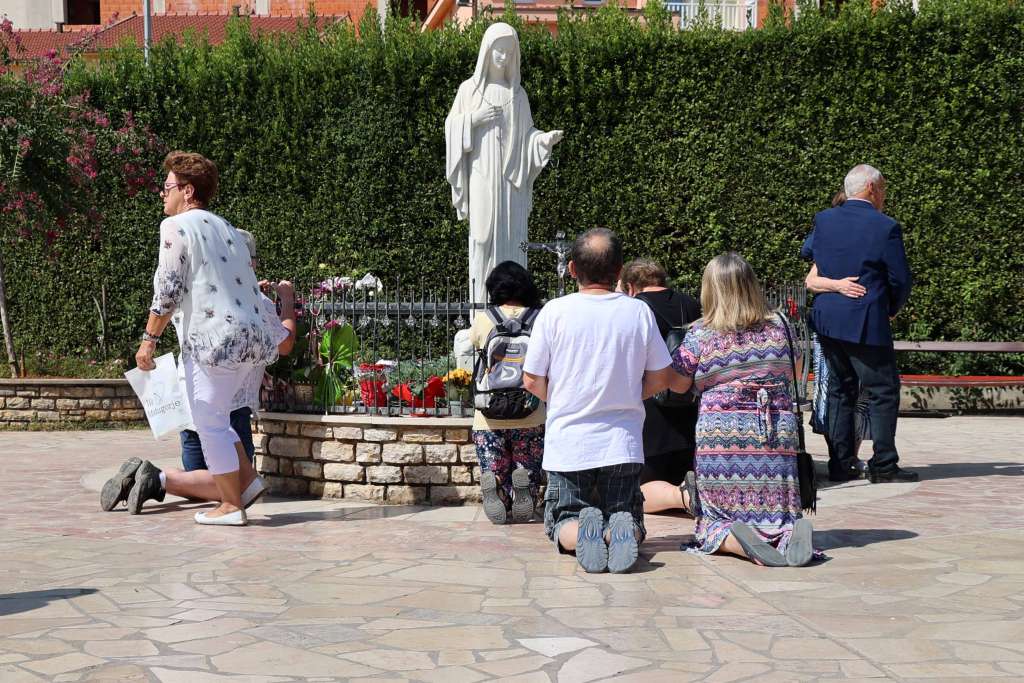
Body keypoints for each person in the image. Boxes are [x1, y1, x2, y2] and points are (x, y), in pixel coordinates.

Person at [125, 150, 287, 526]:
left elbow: (168, 289)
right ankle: (246, 484)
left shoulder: (175, 226)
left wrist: (149, 340)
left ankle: (230, 506)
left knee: (208, 422)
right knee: (219, 416)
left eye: (167, 186)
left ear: (188, 190)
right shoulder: (227, 228)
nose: (162, 193)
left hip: (214, 341)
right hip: (251, 339)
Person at [522, 228, 686, 574]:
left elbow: (532, 379)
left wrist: (563, 398)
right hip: (622, 442)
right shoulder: (637, 312)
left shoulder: (554, 311)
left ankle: (583, 531)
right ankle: (619, 528)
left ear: (572, 269)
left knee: (563, 519)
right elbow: (661, 376)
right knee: (626, 511)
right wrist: (630, 394)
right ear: (619, 270)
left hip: (569, 442)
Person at [673, 252, 814, 567]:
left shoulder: (701, 334)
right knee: (777, 509)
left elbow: (677, 384)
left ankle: (736, 540)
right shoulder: (781, 326)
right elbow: (795, 371)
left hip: (723, 437)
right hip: (774, 430)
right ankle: (787, 533)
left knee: (716, 517)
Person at [802, 164, 916, 484]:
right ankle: (884, 464)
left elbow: (808, 251)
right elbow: (901, 278)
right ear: (871, 188)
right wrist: (890, 308)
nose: (884, 196)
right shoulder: (885, 226)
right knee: (883, 390)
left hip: (827, 319)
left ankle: (841, 464)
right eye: (883, 189)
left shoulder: (824, 219)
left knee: (840, 390)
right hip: (865, 320)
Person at [444, 22, 563, 306]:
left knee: (512, 239)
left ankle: (513, 306)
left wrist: (542, 140)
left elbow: (527, 136)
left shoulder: (518, 96)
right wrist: (475, 119)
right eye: (499, 50)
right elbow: (451, 128)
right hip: (481, 173)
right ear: (487, 51)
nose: (503, 57)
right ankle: (480, 307)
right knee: (481, 238)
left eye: (509, 52)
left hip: (511, 183)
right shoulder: (469, 90)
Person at [619, 258, 701, 514]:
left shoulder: (633, 309)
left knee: (634, 494)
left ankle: (682, 497)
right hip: (689, 410)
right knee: (681, 470)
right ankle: (688, 492)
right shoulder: (691, 304)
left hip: (651, 415)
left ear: (630, 286)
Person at [469, 261, 546, 524]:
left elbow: (476, 345)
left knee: (493, 465)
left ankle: (498, 487)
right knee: (528, 466)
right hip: (530, 408)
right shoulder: (539, 318)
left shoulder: (484, 319)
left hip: (489, 411)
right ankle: (525, 488)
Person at [802, 190, 872, 478]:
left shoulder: (868, 239)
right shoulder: (829, 243)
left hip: (859, 328)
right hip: (832, 330)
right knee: (834, 392)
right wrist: (839, 285)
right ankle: (841, 458)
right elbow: (811, 281)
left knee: (858, 396)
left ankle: (849, 456)